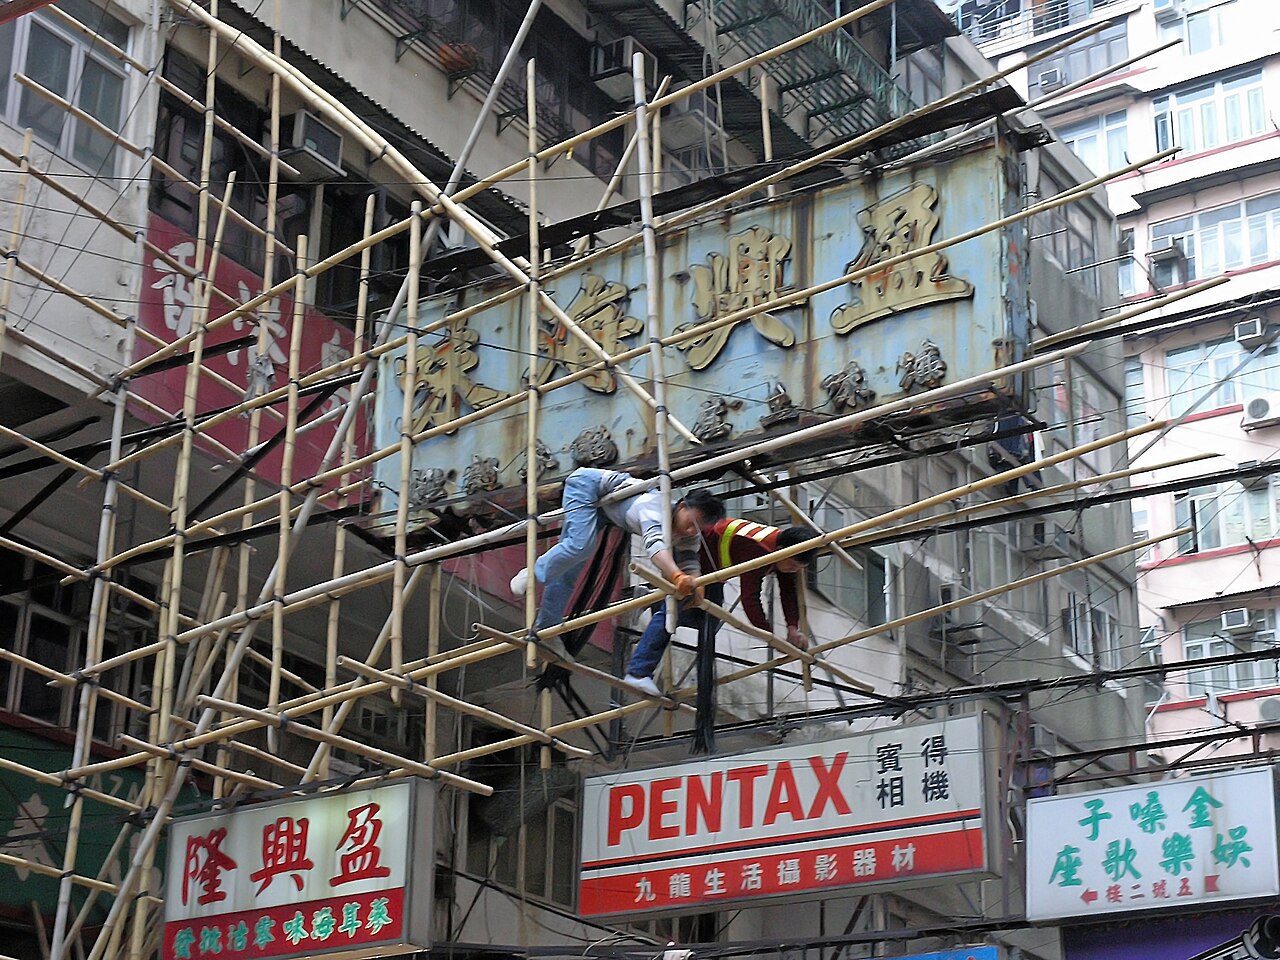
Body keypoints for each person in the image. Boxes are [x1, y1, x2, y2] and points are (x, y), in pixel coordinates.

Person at [510, 468, 725, 660]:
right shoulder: (656, 507)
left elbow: (690, 562)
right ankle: (531, 574)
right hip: (587, 485)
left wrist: (697, 585)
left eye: (698, 528)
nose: (691, 531)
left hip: (606, 511)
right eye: (691, 523)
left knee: (569, 568)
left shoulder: (689, 535)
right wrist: (678, 577)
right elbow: (655, 548)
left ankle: (547, 628)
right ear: (682, 506)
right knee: (579, 546)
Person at [622, 521, 816, 696]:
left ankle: (652, 599)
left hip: (712, 571)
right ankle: (638, 672)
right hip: (693, 562)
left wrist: (792, 627)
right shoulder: (756, 548)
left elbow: (788, 589)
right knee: (671, 614)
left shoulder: (782, 549)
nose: (794, 570)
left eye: (799, 567)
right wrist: (769, 636)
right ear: (781, 550)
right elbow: (750, 598)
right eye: (792, 565)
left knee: (707, 623)